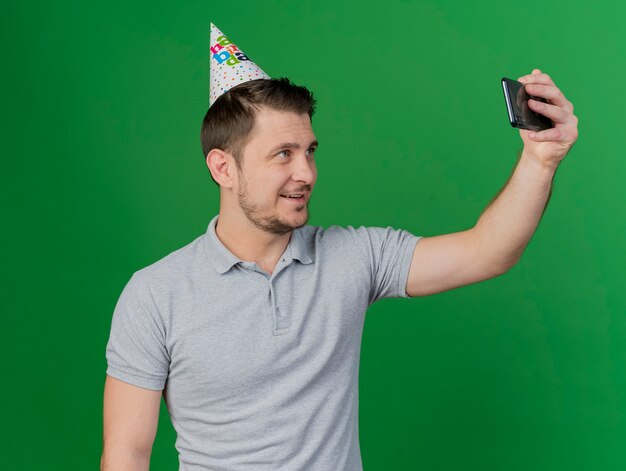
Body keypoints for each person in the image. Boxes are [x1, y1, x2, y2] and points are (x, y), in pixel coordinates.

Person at [101, 23, 579, 471]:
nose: (305, 173)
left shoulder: (354, 256)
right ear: (223, 168)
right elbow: (127, 450)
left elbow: (487, 251)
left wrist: (540, 161)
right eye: (282, 154)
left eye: (309, 151)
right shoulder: (154, 294)